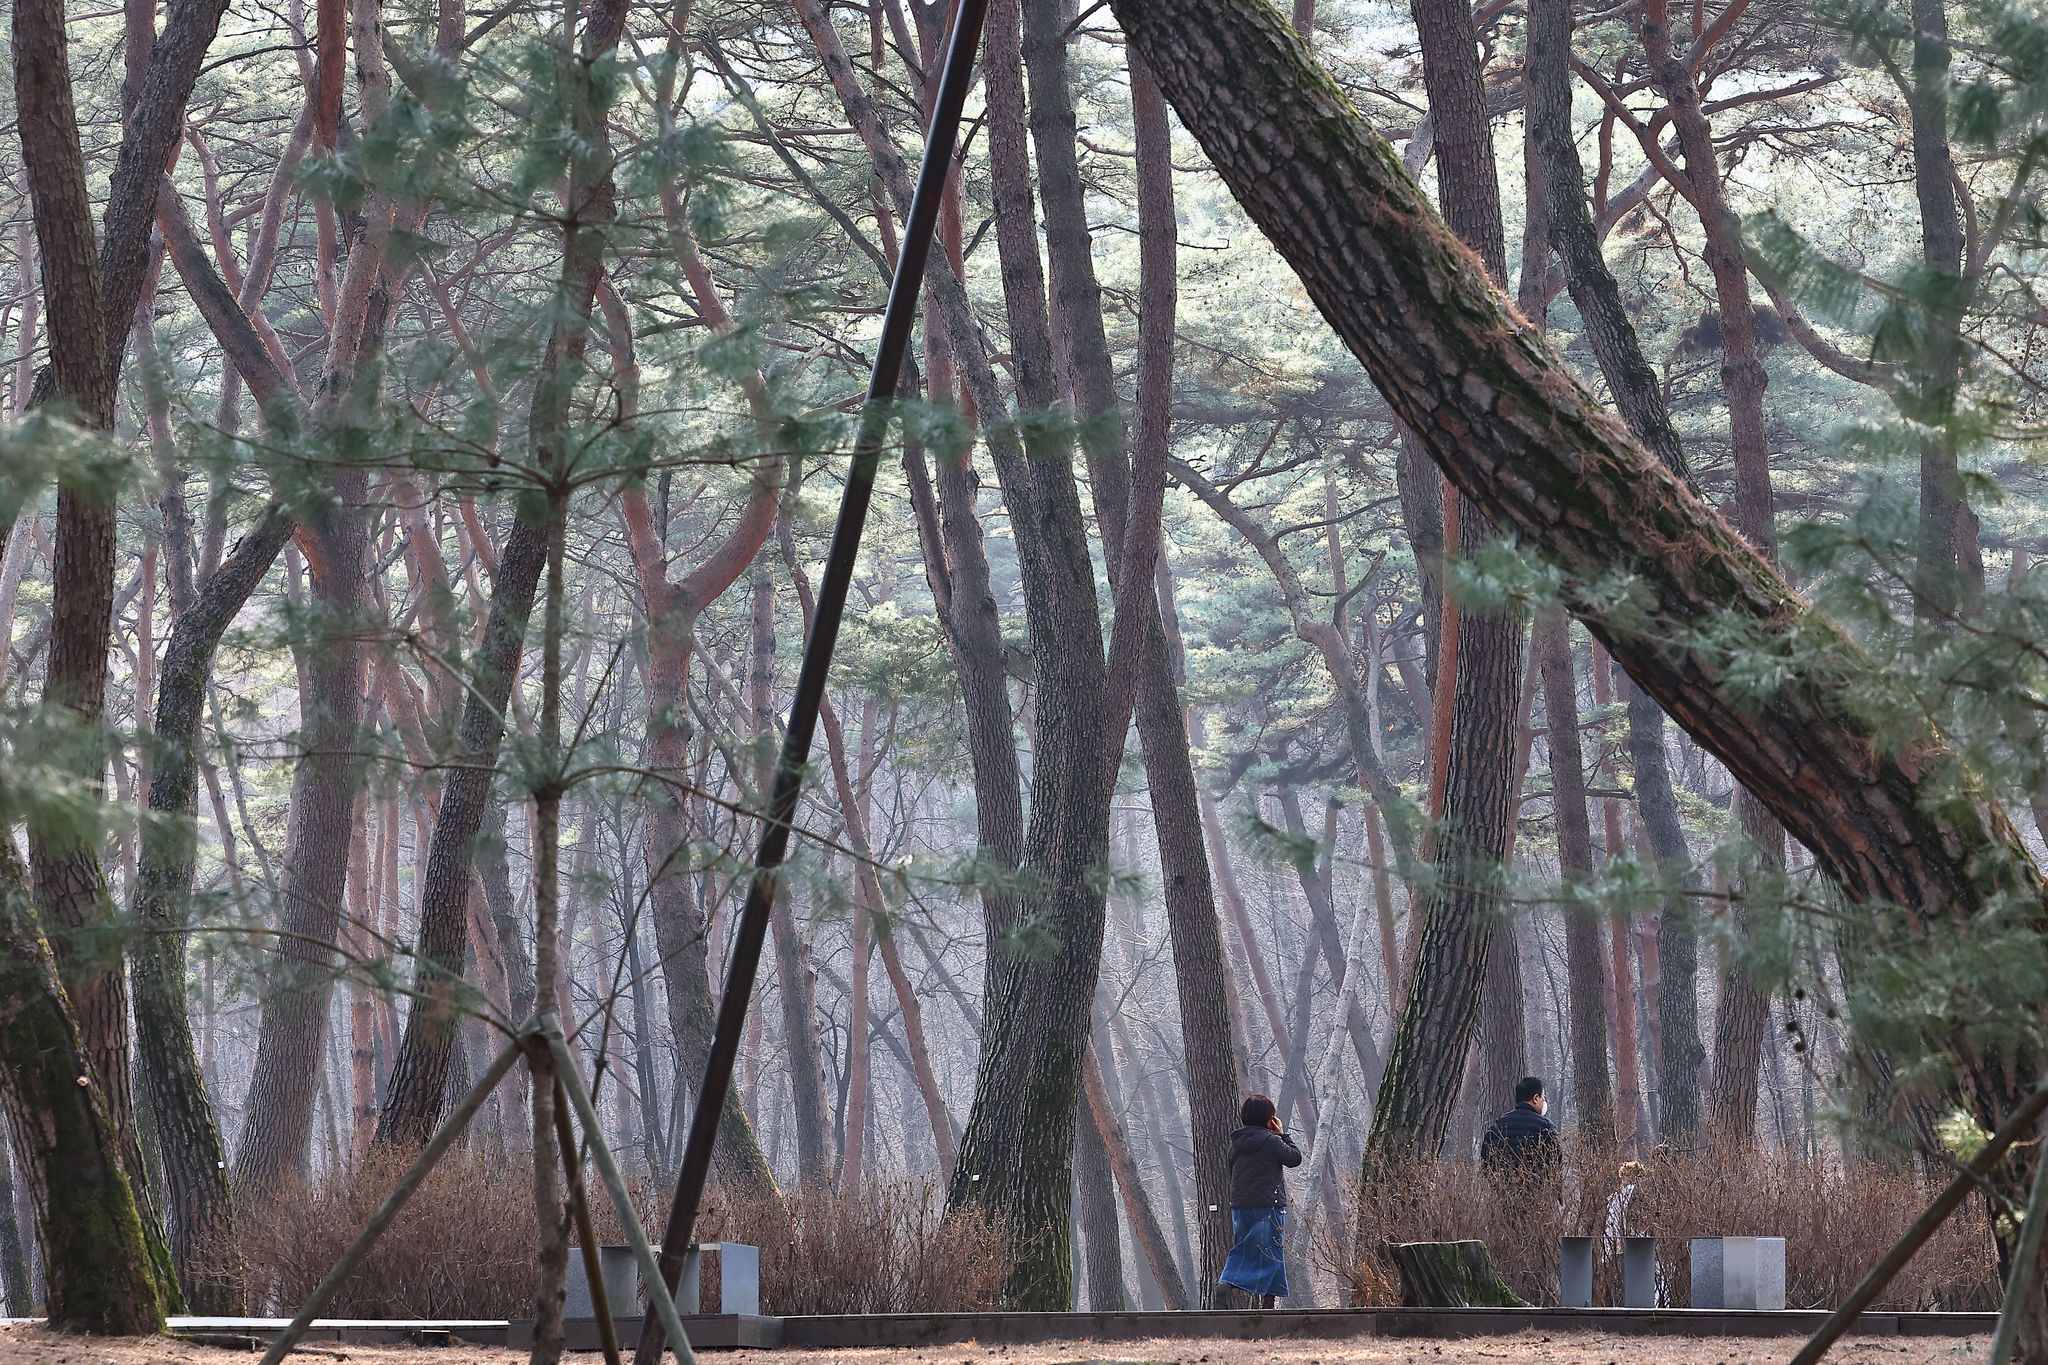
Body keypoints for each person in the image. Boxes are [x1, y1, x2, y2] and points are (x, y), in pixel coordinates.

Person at [1218, 1093, 1301, 1309]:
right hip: (1269, 1206)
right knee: (1270, 1251)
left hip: (1240, 1207)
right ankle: (1230, 1282)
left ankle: (1266, 1301)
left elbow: (1231, 1173)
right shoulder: (1271, 1141)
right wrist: (1283, 1135)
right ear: (1269, 1120)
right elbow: (1294, 1158)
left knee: (1244, 1248)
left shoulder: (1234, 1145)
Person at [1481, 1075, 1561, 1175]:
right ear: (1536, 1098)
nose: (1544, 1102)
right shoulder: (1545, 1126)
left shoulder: (1497, 1126)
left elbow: (1486, 1160)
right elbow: (1555, 1162)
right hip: (1537, 1188)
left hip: (1502, 1188)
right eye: (1543, 1098)